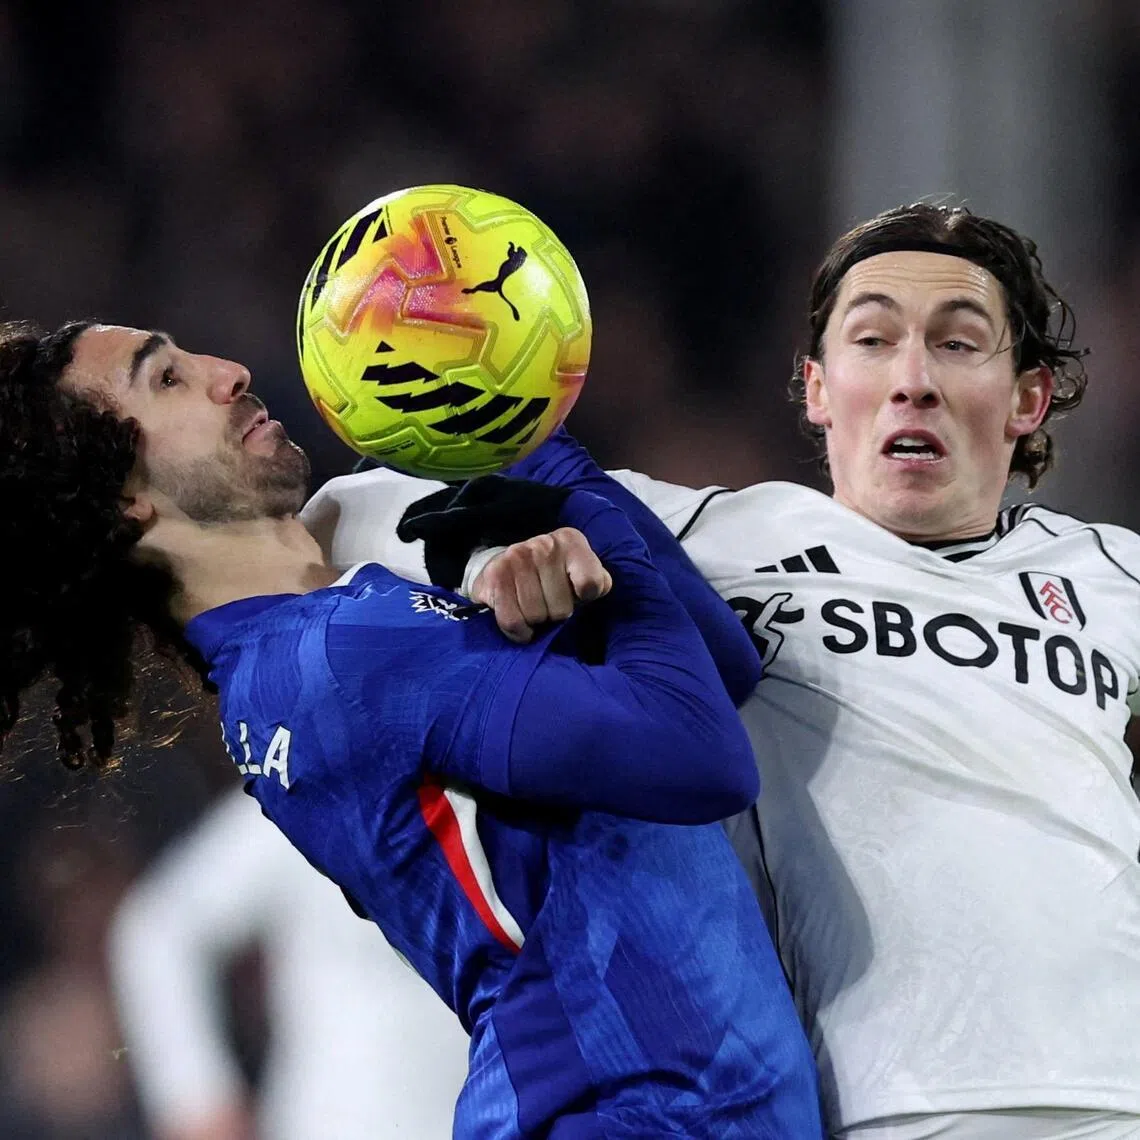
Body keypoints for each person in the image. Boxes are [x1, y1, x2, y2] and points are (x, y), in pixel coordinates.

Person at [306, 202, 1140, 1140]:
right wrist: (490, 561)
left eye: (957, 343)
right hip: (878, 1111)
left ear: (1027, 399)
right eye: (873, 340)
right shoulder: (711, 540)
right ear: (818, 389)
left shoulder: (1115, 575)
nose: (913, 380)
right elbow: (346, 517)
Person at [0, 319, 823, 1138]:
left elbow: (720, 668)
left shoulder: (329, 628)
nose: (230, 370)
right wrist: (560, 492)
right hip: (620, 1112)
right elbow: (703, 756)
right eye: (167, 380)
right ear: (125, 501)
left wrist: (535, 457)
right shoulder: (341, 656)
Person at [109, 784, 469, 1140]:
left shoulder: (490, 784)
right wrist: (196, 1096)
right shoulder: (312, 790)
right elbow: (160, 929)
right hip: (339, 1126)